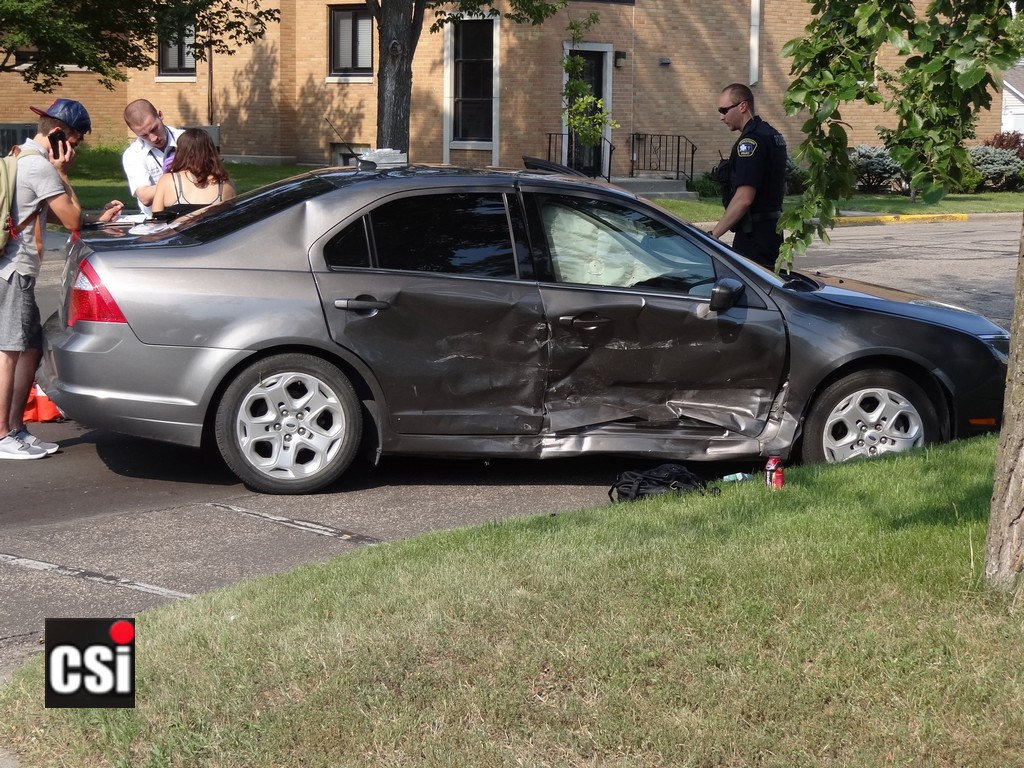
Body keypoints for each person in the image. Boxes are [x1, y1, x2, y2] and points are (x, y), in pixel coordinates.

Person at [0, 98, 123, 459]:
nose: (76, 151)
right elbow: (70, 219)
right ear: (60, 135)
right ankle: (3, 434)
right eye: (76, 142)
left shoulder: (21, 154)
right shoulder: (41, 167)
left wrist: (96, 221)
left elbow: (44, 215)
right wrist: (63, 172)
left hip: (15, 268)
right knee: (9, 351)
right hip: (15, 269)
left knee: (31, 347)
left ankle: (17, 429)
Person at [708, 83, 787, 269]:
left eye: (724, 110)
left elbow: (744, 198)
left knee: (746, 293)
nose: (721, 117)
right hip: (771, 230)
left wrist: (713, 235)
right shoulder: (770, 134)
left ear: (742, 106)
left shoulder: (750, 142)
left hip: (755, 237)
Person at [151, 128, 236, 220]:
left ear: (180, 152)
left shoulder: (167, 181)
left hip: (179, 234)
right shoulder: (226, 183)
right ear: (211, 151)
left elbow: (156, 220)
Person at [122, 99, 184, 217]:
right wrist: (185, 182)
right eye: (144, 135)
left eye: (154, 129)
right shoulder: (133, 154)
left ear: (160, 115)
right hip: (158, 221)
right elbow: (144, 197)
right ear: (133, 131)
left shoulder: (187, 140)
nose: (153, 138)